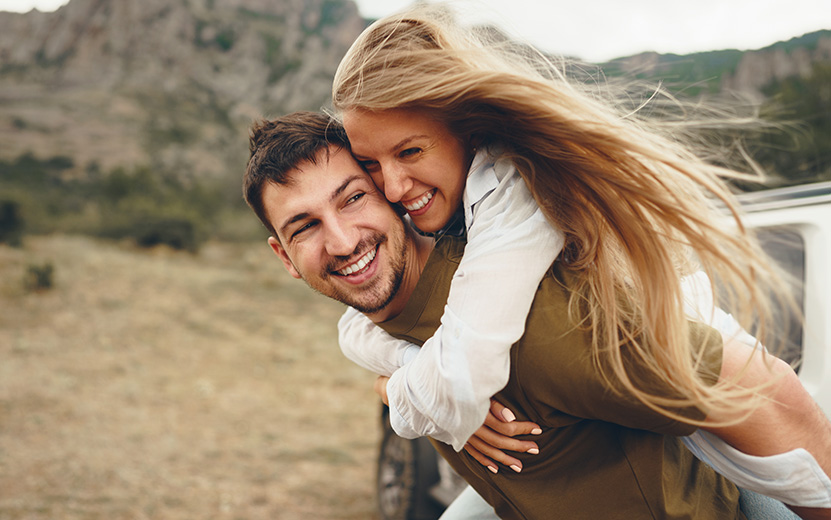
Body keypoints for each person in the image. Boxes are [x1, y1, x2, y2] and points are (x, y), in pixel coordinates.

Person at [242, 112, 831, 519]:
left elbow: (757, 385)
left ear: (388, 190)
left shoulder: (532, 326)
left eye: (352, 198)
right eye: (305, 225)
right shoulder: (396, 329)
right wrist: (409, 391)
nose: (342, 241)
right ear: (284, 257)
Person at [329, 2, 824, 483]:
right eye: (370, 164)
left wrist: (423, 398)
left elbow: (460, 386)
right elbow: (356, 331)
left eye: (410, 151)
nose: (391, 187)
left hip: (751, 404)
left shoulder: (512, 191)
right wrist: (406, 380)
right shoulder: (440, 205)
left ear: (466, 128)